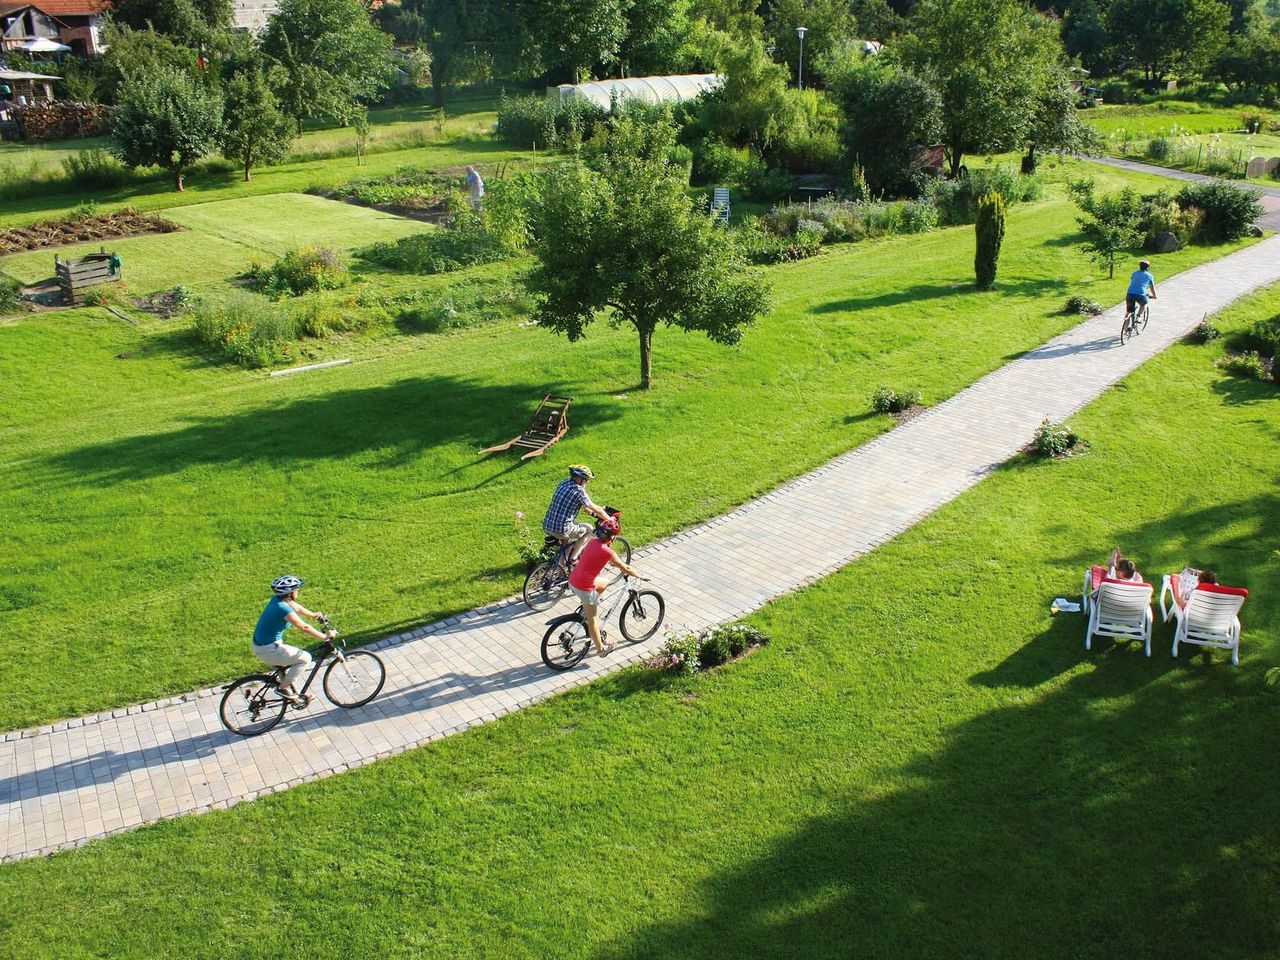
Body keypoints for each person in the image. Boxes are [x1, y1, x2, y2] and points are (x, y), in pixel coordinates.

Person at [251, 575, 335, 707]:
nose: (298, 592)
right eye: (296, 590)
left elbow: (297, 608)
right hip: (269, 650)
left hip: (263, 645)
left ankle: (294, 697)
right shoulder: (282, 608)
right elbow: (304, 627)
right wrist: (325, 637)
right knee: (305, 658)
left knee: (292, 662)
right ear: (290, 593)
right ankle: (282, 688)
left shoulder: (279, 601)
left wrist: (314, 615)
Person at [568, 515, 645, 657]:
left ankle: (587, 607)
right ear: (613, 537)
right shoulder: (608, 552)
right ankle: (601, 650)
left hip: (573, 580)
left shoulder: (592, 542)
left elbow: (597, 557)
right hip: (584, 587)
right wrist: (639, 576)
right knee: (593, 620)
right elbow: (625, 568)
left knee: (605, 582)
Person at [543, 464, 611, 564]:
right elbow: (596, 508)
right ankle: (574, 558)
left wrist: (587, 509)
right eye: (586, 480)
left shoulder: (564, 483)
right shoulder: (579, 491)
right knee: (589, 529)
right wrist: (609, 519)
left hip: (548, 524)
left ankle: (559, 572)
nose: (587, 482)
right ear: (579, 479)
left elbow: (581, 504)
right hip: (562, 529)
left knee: (567, 545)